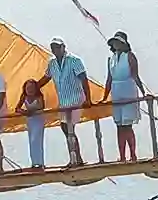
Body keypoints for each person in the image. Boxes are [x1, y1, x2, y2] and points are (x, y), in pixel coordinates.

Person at [33, 39, 95, 167]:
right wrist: (34, 87)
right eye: (53, 47)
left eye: (57, 47)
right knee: (65, 128)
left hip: (76, 99)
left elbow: (84, 79)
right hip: (64, 101)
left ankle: (76, 159)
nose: (55, 50)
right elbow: (46, 78)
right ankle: (75, 158)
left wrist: (88, 99)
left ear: (63, 47)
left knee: (69, 127)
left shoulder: (74, 60)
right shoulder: (52, 63)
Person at [107, 32, 146, 162]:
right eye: (115, 42)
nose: (116, 44)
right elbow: (109, 79)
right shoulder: (111, 59)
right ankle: (122, 156)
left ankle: (133, 154)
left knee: (127, 125)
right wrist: (105, 96)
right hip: (116, 91)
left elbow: (135, 75)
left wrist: (143, 93)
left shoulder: (129, 56)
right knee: (119, 125)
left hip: (128, 89)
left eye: (119, 42)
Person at [16, 78, 48, 169]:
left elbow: (41, 107)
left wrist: (31, 111)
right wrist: (23, 112)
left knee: (37, 140)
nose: (30, 89)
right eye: (28, 87)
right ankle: (34, 163)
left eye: (32, 87)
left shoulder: (39, 97)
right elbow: (17, 108)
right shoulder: (24, 97)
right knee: (31, 141)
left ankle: (40, 162)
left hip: (38, 119)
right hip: (30, 120)